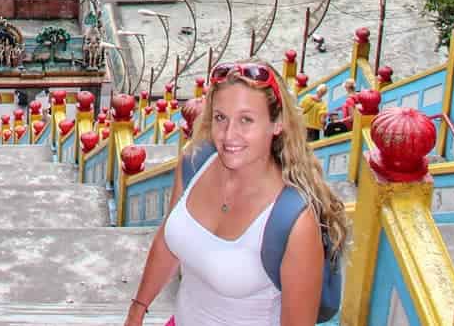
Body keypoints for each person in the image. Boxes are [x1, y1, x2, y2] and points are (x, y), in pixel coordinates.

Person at [125, 60, 349, 326]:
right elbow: (168, 242)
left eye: (246, 120)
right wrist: (138, 310)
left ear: (277, 123)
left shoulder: (293, 221)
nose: (229, 135)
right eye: (221, 117)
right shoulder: (195, 163)